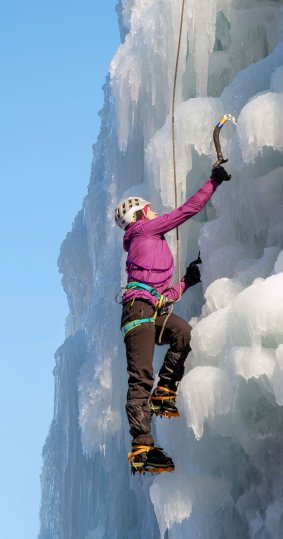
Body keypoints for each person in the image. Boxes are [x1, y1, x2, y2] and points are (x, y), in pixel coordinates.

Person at [115, 165, 231, 474]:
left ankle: (164, 392)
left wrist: (186, 282)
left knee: (183, 334)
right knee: (140, 377)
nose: (154, 213)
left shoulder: (150, 240)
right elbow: (186, 211)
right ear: (139, 215)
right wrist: (213, 182)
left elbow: (163, 295)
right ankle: (142, 447)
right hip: (138, 313)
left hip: (149, 310)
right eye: (149, 209)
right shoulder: (143, 230)